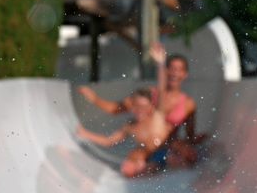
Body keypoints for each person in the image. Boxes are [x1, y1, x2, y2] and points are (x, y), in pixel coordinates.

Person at [77, 41, 206, 169]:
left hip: (170, 144)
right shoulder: (146, 97)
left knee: (184, 151)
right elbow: (111, 130)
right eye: (171, 68)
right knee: (133, 159)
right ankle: (146, 166)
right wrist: (94, 99)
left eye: (179, 69)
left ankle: (170, 161)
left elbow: (189, 135)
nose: (174, 73)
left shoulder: (179, 106)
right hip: (147, 150)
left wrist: (194, 141)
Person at [76, 88, 173, 178]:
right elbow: (109, 140)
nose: (140, 110)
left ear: (151, 106)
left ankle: (149, 167)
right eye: (136, 106)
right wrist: (85, 133)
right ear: (131, 106)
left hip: (165, 151)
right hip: (147, 158)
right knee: (134, 153)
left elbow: (162, 85)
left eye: (144, 106)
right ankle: (139, 167)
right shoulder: (130, 125)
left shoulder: (157, 115)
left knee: (173, 151)